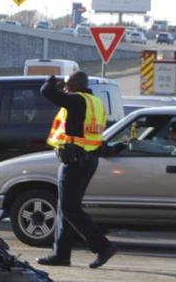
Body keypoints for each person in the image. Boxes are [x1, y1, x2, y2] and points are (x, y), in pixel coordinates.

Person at [37, 71, 118, 269]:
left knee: (69, 208)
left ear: (73, 85)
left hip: (75, 161)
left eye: (66, 84)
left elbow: (47, 92)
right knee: (65, 208)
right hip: (88, 159)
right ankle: (61, 254)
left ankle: (103, 247)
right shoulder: (95, 102)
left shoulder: (76, 100)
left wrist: (51, 80)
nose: (64, 88)